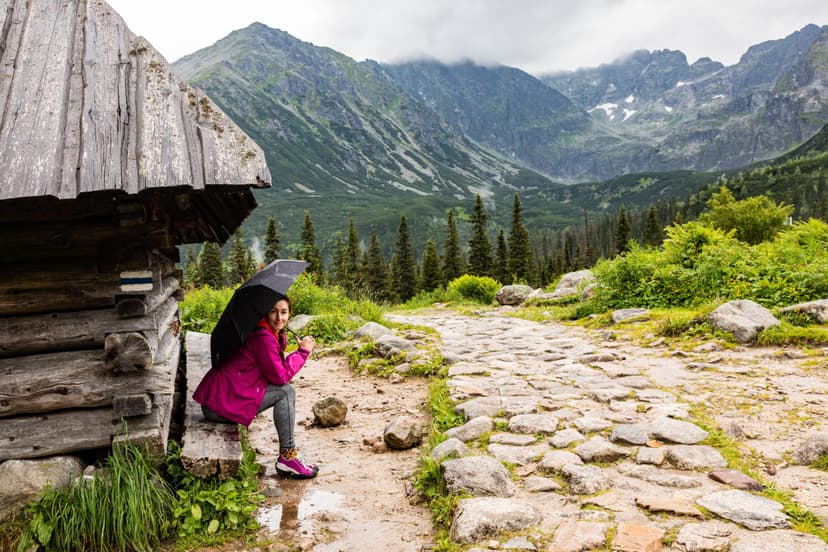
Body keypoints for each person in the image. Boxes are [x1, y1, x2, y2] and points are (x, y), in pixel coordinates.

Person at [193, 295, 318, 478]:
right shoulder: (263, 338)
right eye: (273, 311)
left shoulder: (263, 331)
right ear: (265, 313)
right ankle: (288, 457)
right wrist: (302, 352)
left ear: (290, 314)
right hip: (218, 407)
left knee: (284, 391)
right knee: (285, 392)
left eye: (283, 312)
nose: (278, 318)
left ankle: (287, 457)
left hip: (219, 401)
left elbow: (272, 368)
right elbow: (280, 377)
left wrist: (284, 342)